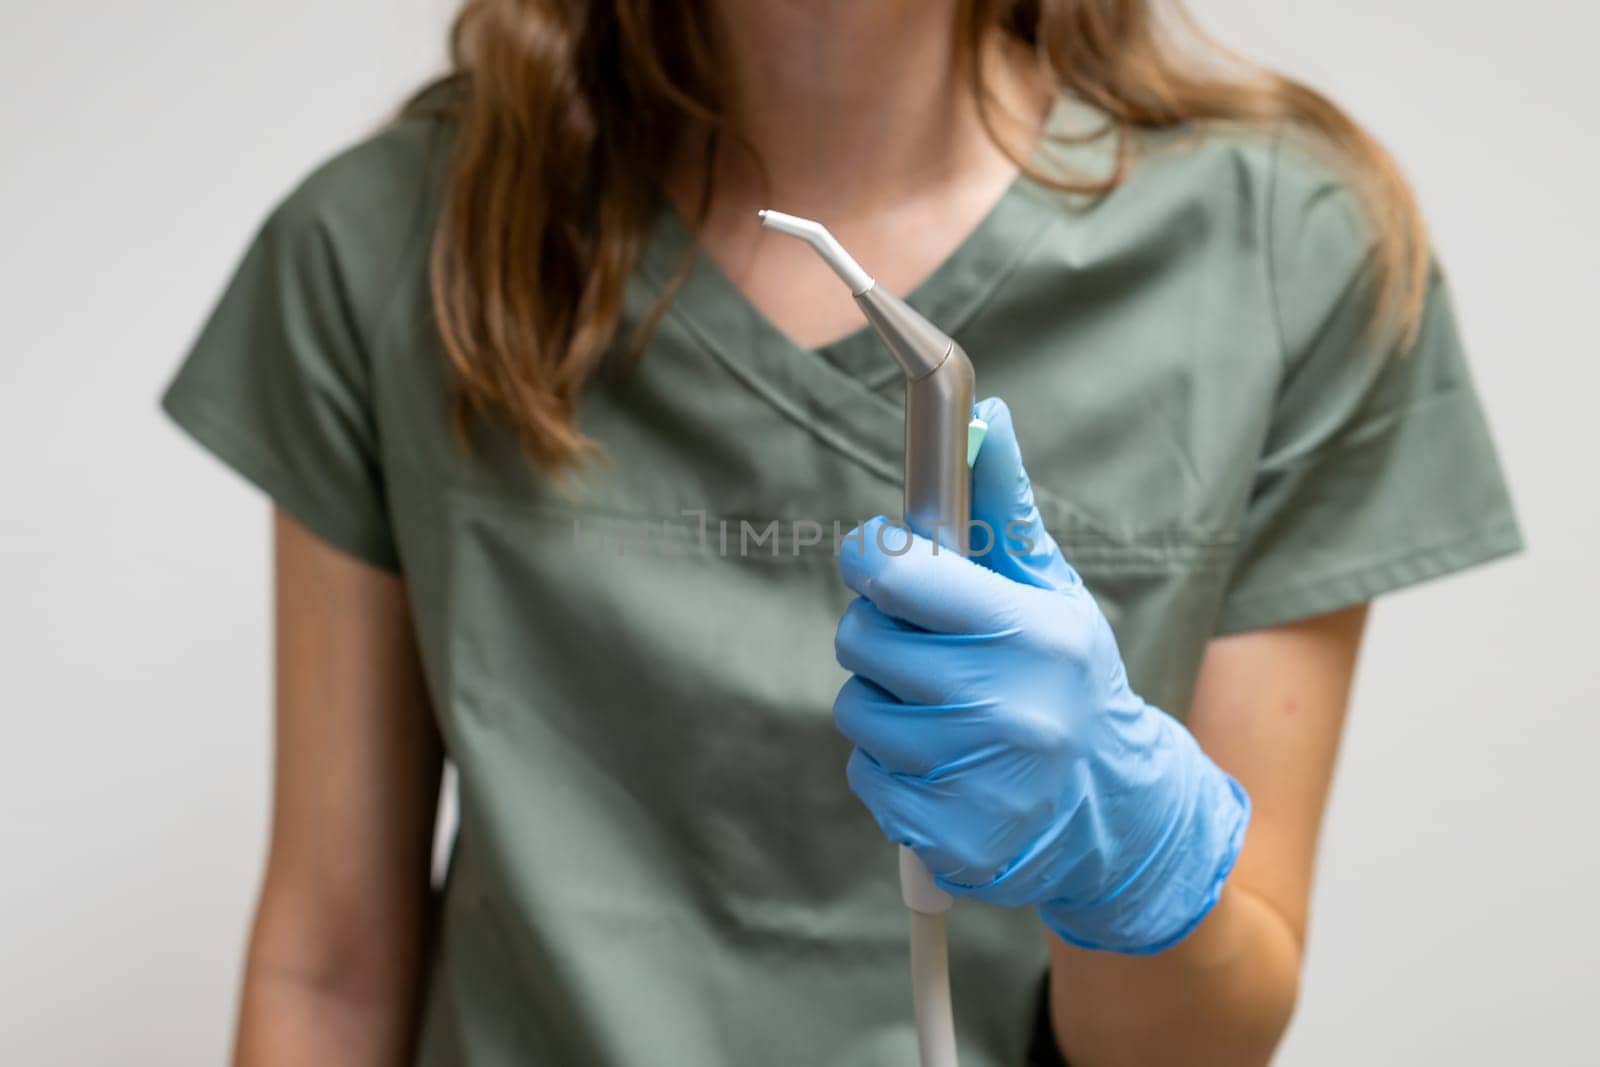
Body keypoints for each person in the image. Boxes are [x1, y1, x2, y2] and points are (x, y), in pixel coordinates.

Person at [161, 2, 1522, 1064]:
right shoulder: (395, 246)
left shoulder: (1285, 254)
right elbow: (330, 963)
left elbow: (1196, 1048)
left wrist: (1130, 868)